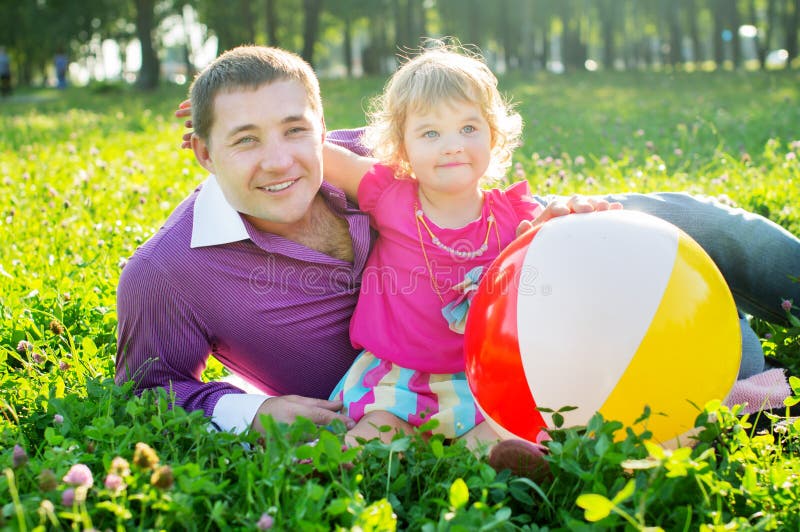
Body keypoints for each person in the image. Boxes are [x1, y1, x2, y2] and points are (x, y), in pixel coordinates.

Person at [119, 44, 800, 458]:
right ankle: (735, 387)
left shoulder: (366, 155)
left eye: (296, 130)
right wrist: (253, 411)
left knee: (665, 216)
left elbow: (460, 161)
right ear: (200, 152)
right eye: (243, 141)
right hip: (437, 374)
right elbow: (144, 391)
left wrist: (553, 216)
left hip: (508, 271)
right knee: (691, 340)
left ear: (323, 127)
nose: (279, 161)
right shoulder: (167, 274)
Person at [319, 45, 621, 476]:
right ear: (401, 149)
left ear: (492, 136)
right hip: (400, 375)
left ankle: (477, 465)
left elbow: (551, 249)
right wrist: (234, 128)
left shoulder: (512, 214)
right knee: (379, 431)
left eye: (468, 128)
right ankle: (338, 462)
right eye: (430, 133)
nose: (452, 146)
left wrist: (568, 218)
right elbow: (319, 154)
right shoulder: (389, 195)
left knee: (505, 430)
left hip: (480, 375)